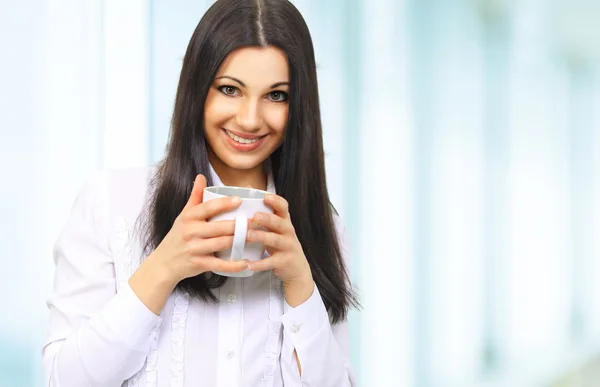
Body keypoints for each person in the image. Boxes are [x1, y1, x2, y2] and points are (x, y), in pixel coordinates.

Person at [43, 0, 359, 386]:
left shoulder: (319, 228)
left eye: (276, 95)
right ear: (197, 88)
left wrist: (299, 284)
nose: (249, 119)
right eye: (230, 89)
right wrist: (164, 267)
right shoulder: (112, 204)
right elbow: (67, 380)